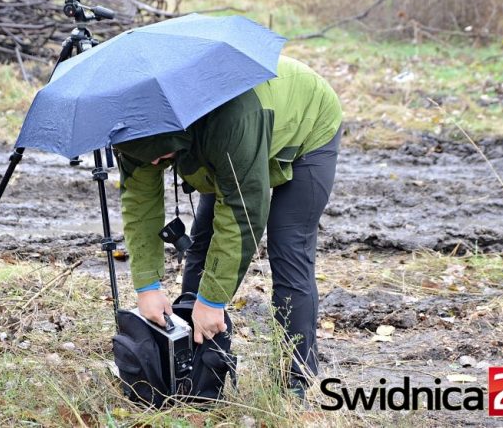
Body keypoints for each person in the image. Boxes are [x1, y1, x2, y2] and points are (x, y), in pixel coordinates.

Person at [112, 54, 342, 393]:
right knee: (201, 248)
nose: (158, 163)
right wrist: (147, 285)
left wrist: (214, 300)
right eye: (151, 159)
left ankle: (297, 380)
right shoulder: (136, 128)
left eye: (164, 157)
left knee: (289, 249)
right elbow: (140, 205)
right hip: (221, 147)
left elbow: (243, 213)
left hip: (304, 127)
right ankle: (198, 370)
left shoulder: (232, 120)